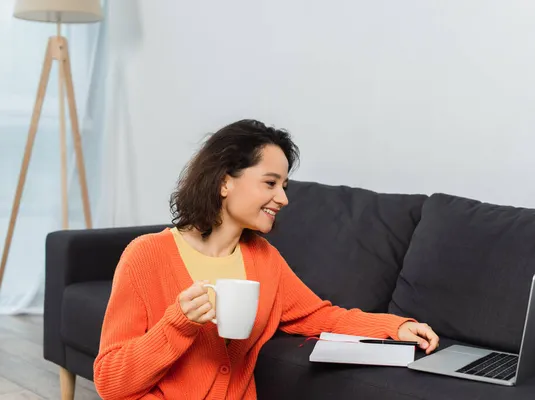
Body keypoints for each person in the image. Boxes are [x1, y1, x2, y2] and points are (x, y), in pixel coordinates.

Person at [93, 119, 439, 400]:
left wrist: (393, 327)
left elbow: (317, 315)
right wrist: (178, 324)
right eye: (270, 183)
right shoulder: (146, 255)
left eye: (285, 185)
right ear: (225, 182)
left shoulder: (263, 259)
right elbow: (110, 381)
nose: (283, 198)